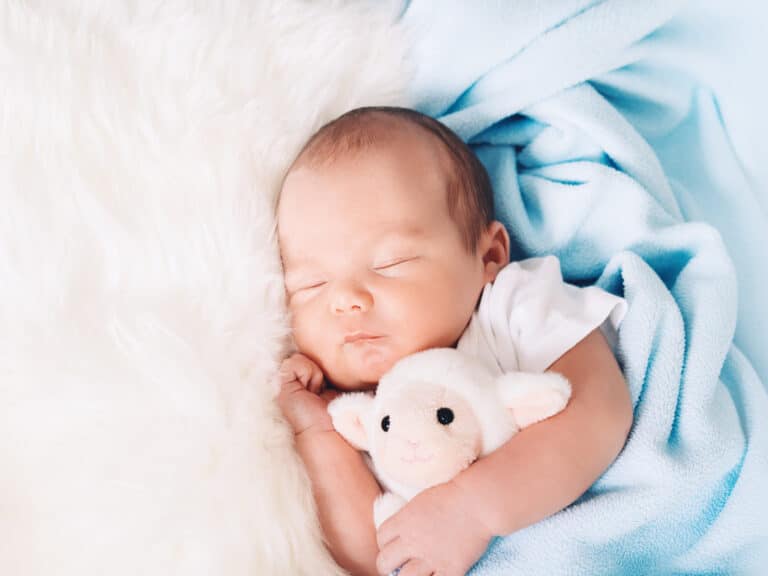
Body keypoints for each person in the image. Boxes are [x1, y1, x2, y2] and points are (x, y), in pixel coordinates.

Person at [275, 106, 632, 576]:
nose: (345, 300)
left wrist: (474, 509)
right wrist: (316, 432)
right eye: (311, 286)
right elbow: (375, 557)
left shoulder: (511, 308)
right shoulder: (352, 413)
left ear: (489, 255)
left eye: (390, 263)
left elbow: (599, 411)